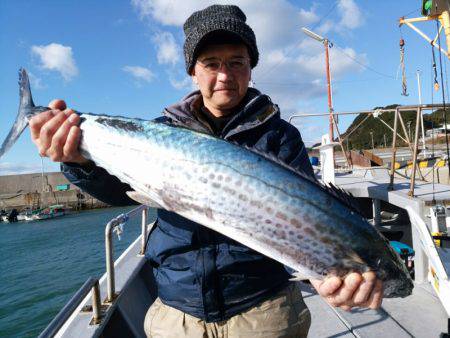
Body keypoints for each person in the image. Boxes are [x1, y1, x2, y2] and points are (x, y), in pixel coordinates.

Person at [29, 4, 383, 337]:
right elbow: (118, 192)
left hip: (262, 311)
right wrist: (77, 161)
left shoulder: (280, 136)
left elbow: (304, 218)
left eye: (237, 62)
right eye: (211, 63)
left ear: (250, 67)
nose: (224, 75)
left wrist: (320, 277)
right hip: (178, 313)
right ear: (193, 71)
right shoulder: (160, 132)